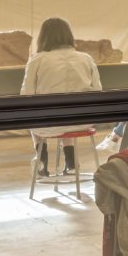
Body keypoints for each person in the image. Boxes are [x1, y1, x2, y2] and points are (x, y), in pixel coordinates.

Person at [20, 16, 103, 176]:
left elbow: (26, 95)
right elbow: (97, 90)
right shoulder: (86, 58)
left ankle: (41, 161)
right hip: (83, 122)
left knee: (34, 119)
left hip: (49, 123)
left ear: (43, 37)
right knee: (68, 113)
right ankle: (71, 163)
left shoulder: (37, 60)